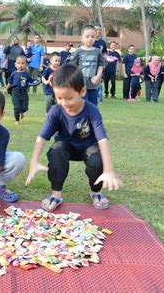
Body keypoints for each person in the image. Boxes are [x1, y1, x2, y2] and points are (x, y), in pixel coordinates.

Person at [25, 64, 121, 212]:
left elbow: (102, 140)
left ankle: (96, 192)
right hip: (65, 146)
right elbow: (42, 137)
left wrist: (108, 170)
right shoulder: (56, 111)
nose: (64, 103)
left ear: (82, 91)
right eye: (59, 98)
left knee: (97, 159)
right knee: (57, 150)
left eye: (69, 98)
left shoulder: (92, 111)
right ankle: (56, 195)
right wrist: (34, 161)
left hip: (88, 146)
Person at [69, 25, 105, 106]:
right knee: (82, 105)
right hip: (81, 84)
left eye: (92, 37)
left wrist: (98, 76)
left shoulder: (97, 51)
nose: (90, 39)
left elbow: (101, 64)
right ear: (82, 38)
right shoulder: (78, 51)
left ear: (95, 38)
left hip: (93, 83)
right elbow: (72, 67)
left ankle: (91, 119)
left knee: (93, 106)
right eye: (87, 36)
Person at [6, 55, 32, 125]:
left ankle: (21, 112)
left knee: (25, 107)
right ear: (15, 64)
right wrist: (6, 89)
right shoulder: (14, 73)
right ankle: (17, 120)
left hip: (24, 93)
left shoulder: (27, 74)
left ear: (26, 65)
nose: (20, 65)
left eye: (23, 63)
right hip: (15, 92)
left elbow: (31, 81)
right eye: (19, 63)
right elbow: (10, 82)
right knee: (17, 107)